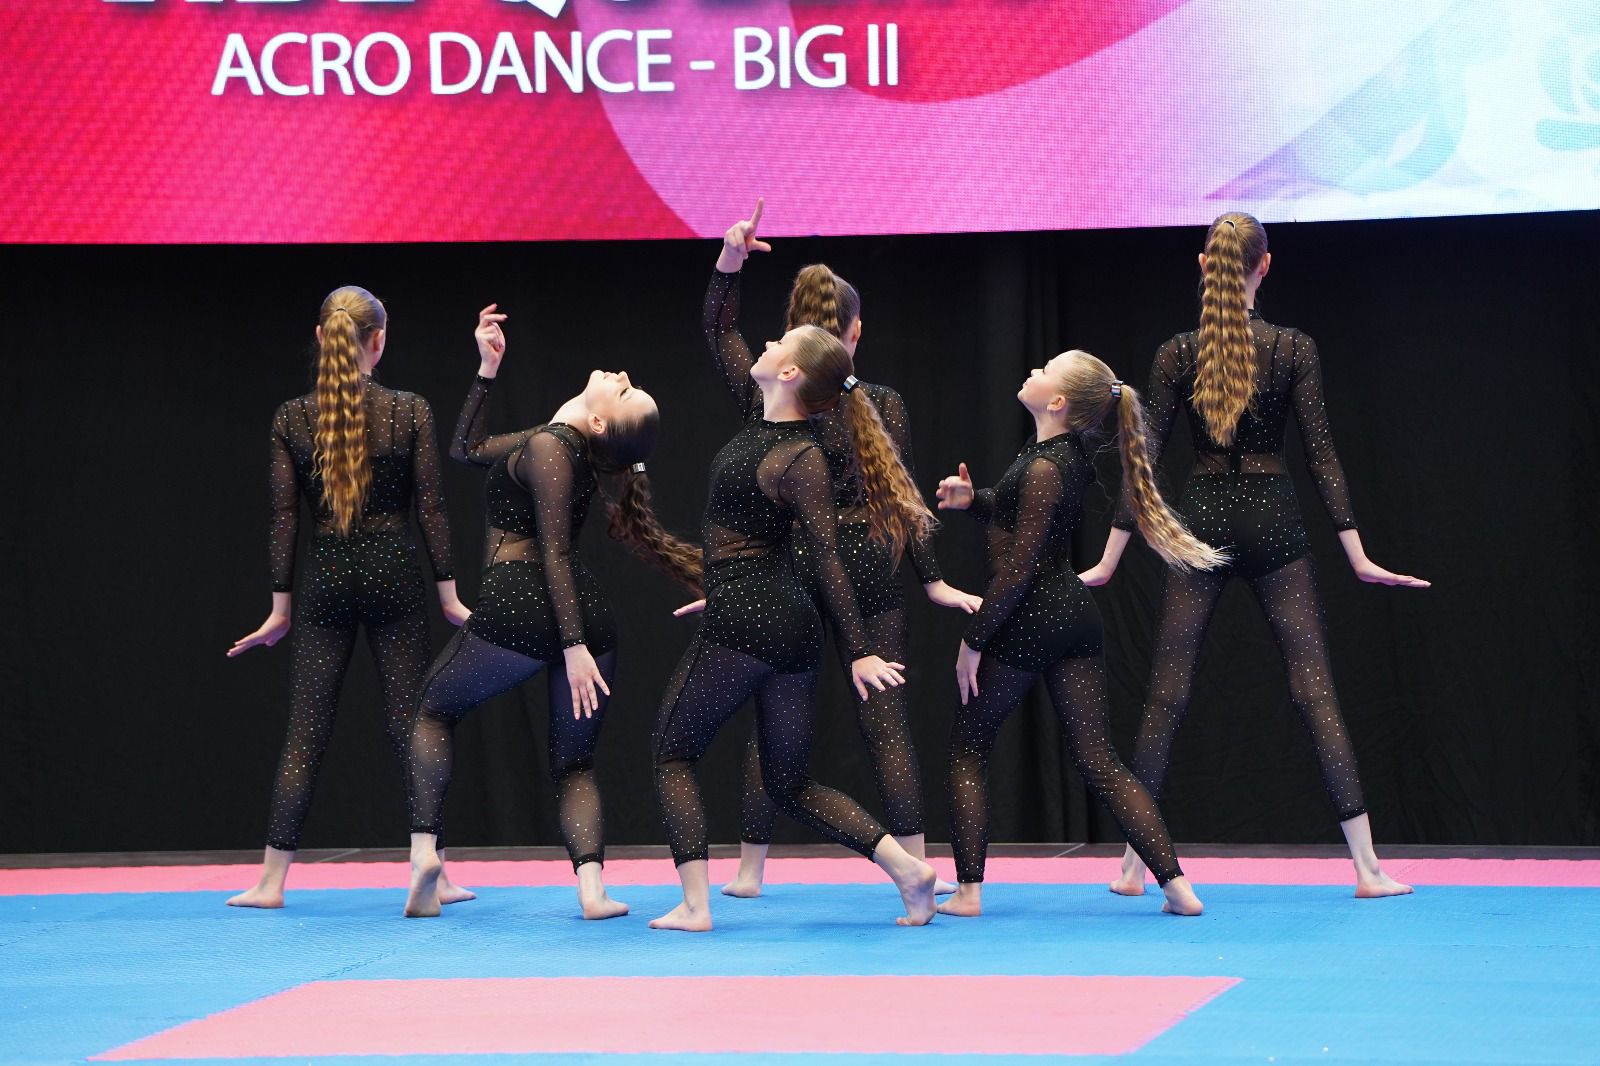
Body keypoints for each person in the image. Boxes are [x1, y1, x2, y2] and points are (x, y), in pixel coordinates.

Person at [1079, 213, 1428, 898]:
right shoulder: (1292, 348)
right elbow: (1322, 456)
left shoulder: (1178, 353)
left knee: (1167, 693)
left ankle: (1131, 866)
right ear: (1265, 266)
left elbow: (1144, 461)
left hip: (1204, 518)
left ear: (1204, 264)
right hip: (1272, 518)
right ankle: (1367, 867)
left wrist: (1110, 557)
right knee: (1313, 690)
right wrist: (1357, 554)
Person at [704, 199, 979, 897]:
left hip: (796, 563)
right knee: (886, 720)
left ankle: (749, 871)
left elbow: (720, 329)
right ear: (855, 332)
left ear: (791, 339)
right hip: (870, 563)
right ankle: (917, 861)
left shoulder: (773, 395)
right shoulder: (881, 400)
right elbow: (902, 498)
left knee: (773, 719)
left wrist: (728, 264)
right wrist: (932, 579)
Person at [403, 306, 701, 919]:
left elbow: (555, 550)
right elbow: (468, 448)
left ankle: (425, 854)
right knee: (574, 762)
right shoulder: (555, 444)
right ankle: (592, 891)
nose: (622, 375)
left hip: (529, 604)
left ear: (600, 421)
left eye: (625, 390)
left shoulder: (550, 447)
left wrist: (573, 648)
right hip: (583, 615)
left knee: (432, 710)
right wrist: (487, 369)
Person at [650, 323, 940, 932]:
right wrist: (728, 590)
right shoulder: (793, 448)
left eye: (780, 342)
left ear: (789, 373)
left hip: (750, 616)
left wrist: (858, 650)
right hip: (787, 622)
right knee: (789, 784)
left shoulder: (797, 454)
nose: (768, 343)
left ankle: (696, 906)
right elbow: (784, 549)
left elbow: (828, 556)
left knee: (673, 753)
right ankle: (908, 870)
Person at [933, 350, 1214, 918]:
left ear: (1058, 402)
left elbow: (1020, 568)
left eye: (1045, 371)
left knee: (968, 748)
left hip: (1031, 615)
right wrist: (975, 501)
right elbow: (1022, 516)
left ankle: (968, 891)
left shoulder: (1045, 465)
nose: (1032, 371)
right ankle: (1177, 886)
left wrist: (974, 639)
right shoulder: (1054, 455)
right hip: (1073, 617)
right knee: (1098, 758)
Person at [227, 285, 472, 910]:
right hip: (393, 571)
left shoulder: (292, 418)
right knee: (412, 723)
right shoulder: (409, 410)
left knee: (306, 731)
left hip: (328, 576)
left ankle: (271, 880)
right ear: (378, 341)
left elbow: (285, 518)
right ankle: (429, 858)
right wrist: (449, 596)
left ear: (322, 338)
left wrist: (279, 608)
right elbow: (432, 509)